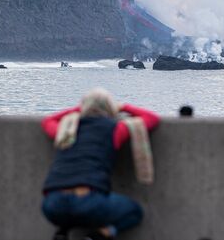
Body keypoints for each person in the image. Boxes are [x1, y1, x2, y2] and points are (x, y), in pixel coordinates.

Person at [41, 89, 160, 240]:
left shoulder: (65, 131)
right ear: (110, 109)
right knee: (134, 212)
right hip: (89, 202)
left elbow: (47, 121)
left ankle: (62, 232)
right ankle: (97, 236)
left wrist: (79, 108)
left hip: (51, 205)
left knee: (68, 209)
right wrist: (122, 107)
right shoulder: (114, 130)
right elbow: (152, 118)